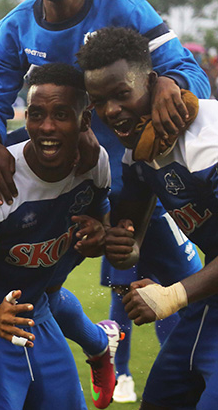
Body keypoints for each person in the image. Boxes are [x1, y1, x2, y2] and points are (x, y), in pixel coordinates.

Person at [0, 0, 208, 404]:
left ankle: (183, 373)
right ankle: (103, 348)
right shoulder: (15, 27)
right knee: (34, 282)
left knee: (179, 285)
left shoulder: (124, 9)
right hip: (68, 184)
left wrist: (174, 83)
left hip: (138, 179)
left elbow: (189, 76)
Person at [0, 63, 110, 409]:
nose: (46, 127)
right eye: (36, 114)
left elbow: (101, 222)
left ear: (84, 120)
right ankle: (98, 342)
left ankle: (99, 345)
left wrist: (101, 234)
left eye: (61, 115)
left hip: (38, 310)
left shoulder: (95, 164)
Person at [79, 26, 218, 410]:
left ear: (153, 83)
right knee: (161, 399)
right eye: (99, 101)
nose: (111, 111)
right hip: (212, 305)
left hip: (202, 296)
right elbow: (129, 241)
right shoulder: (139, 154)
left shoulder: (208, 142)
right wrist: (112, 240)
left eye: (122, 94)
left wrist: (172, 294)